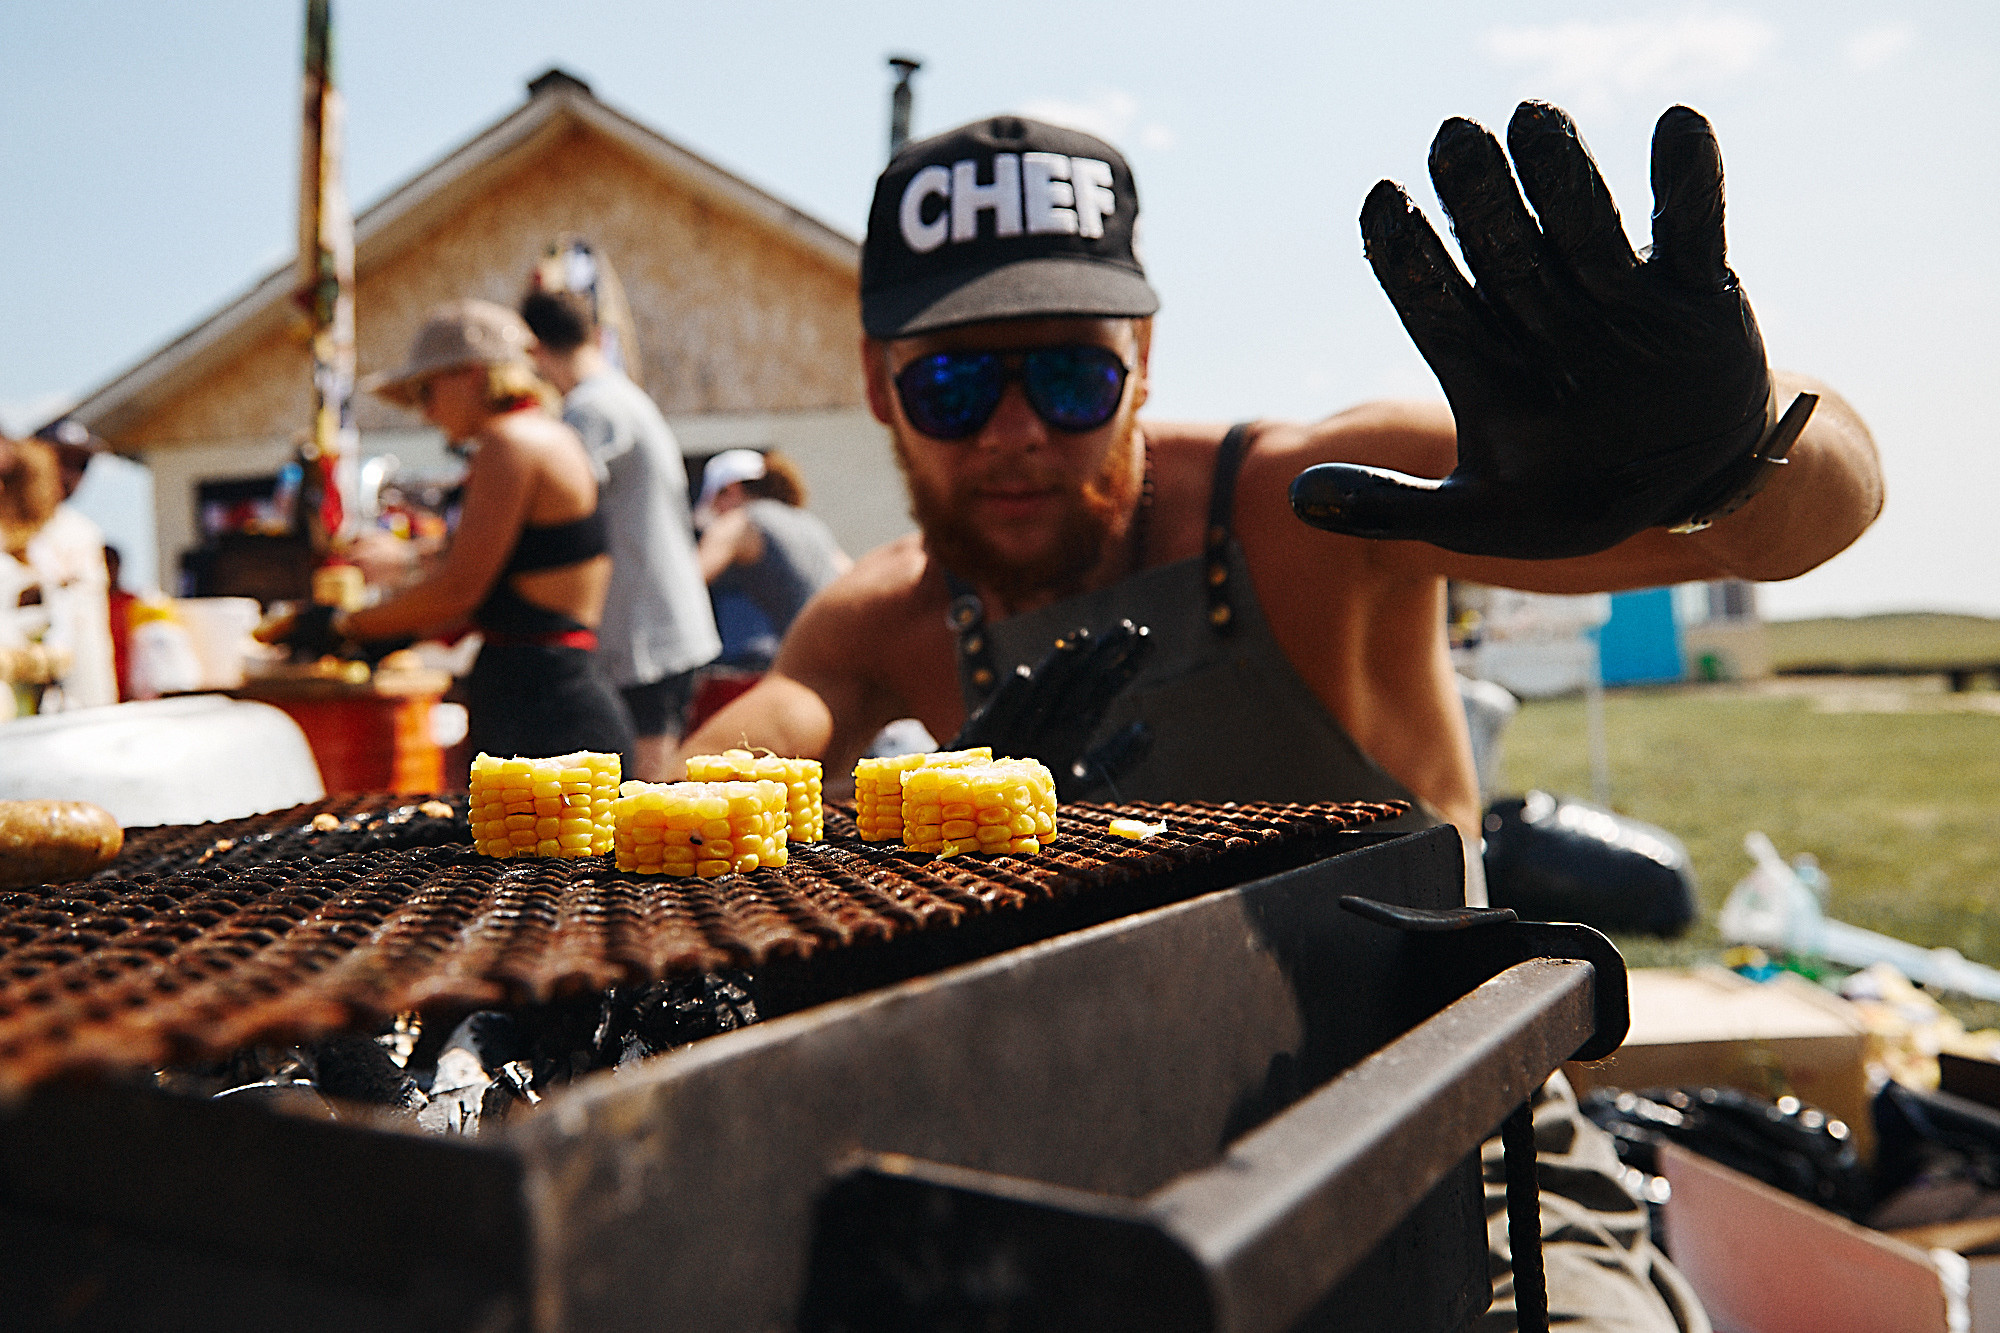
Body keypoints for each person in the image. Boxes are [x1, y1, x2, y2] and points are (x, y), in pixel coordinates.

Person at [675, 105, 1882, 1330]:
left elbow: (1822, 507)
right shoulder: (881, 619)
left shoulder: (1315, 506)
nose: (1016, 432)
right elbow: (751, 740)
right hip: (1109, 1168)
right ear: (876, 391)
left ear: (1142, 359)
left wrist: (1721, 459)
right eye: (950, 385)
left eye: (1069, 374)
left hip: (1450, 1135)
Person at [292, 298, 633, 762]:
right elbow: (481, 576)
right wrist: (394, 626)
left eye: (426, 392)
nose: (425, 413)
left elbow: (458, 591)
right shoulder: (544, 436)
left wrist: (339, 626)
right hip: (550, 693)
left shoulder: (509, 442)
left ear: (471, 374)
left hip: (547, 709)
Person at [521, 278, 720, 780]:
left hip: (645, 638)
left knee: (646, 799)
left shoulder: (593, 409)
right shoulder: (619, 397)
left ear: (536, 350)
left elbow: (552, 506)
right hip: (662, 628)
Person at [694, 449, 852, 656]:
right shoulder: (807, 523)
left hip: (811, 658)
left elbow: (688, 583)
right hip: (846, 650)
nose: (716, 514)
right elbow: (850, 576)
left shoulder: (740, 523)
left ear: (732, 489)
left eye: (715, 504)